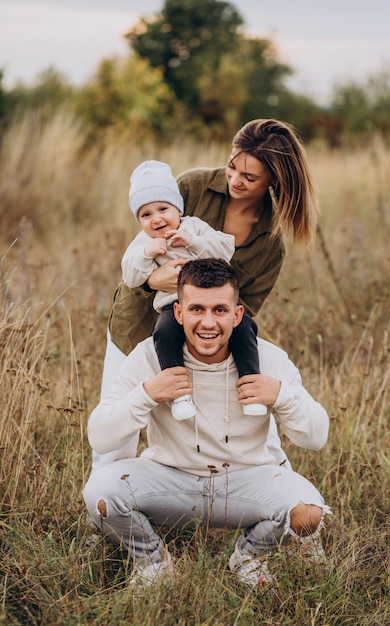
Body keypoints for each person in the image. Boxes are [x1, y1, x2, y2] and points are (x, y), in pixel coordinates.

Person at [84, 259, 331, 591]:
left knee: (308, 514)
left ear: (237, 315)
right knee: (101, 493)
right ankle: (154, 563)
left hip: (244, 479)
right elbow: (100, 436)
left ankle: (249, 557)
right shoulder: (149, 356)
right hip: (170, 478)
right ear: (179, 313)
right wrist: (147, 394)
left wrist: (281, 396)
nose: (208, 322)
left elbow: (315, 438)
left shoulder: (268, 359)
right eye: (197, 309)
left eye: (219, 310)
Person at [97, 118, 318, 468]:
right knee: (117, 428)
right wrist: (156, 282)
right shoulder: (191, 186)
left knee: (248, 421)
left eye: (250, 177)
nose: (235, 180)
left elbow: (245, 307)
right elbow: (142, 247)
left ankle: (274, 493)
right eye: (232, 166)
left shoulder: (270, 242)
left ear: (273, 180)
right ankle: (107, 508)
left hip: (205, 339)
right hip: (138, 321)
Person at [122, 159, 266, 421]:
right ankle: (179, 395)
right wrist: (147, 255)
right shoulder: (143, 242)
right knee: (164, 333)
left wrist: (193, 242)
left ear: (177, 208)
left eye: (163, 209)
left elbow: (225, 250)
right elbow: (130, 276)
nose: (156, 219)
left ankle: (250, 385)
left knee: (245, 327)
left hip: (211, 301)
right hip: (173, 306)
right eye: (146, 214)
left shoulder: (194, 227)